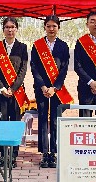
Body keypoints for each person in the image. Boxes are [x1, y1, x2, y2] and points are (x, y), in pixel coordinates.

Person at [31, 15, 73, 168]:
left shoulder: (63, 46)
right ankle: (44, 152)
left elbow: (64, 69)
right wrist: (43, 86)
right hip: (41, 88)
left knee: (55, 119)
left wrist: (55, 88)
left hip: (57, 89)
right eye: (48, 26)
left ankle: (53, 152)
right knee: (42, 118)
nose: (51, 29)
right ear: (44, 27)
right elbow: (34, 67)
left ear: (58, 28)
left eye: (54, 26)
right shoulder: (37, 45)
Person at [0, 17, 29, 168]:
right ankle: (2, 154)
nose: (10, 30)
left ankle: (13, 156)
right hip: (1, 92)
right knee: (2, 122)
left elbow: (23, 71)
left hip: (16, 92)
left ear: (16, 29)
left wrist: (13, 89)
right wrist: (2, 88)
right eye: (7, 27)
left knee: (14, 122)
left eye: (12, 27)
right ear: (3, 30)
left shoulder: (22, 47)